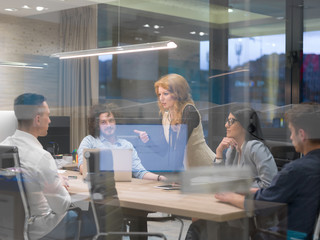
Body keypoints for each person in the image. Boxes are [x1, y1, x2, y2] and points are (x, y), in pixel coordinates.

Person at [214, 103, 320, 239]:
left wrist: (230, 196)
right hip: (302, 234)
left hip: (280, 235)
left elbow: (262, 203)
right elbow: (274, 193)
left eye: (292, 132)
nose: (291, 137)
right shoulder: (310, 167)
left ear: (301, 134)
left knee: (206, 228)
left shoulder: (296, 170)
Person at [1, 93, 95, 239]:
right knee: (99, 219)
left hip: (13, 228)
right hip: (42, 230)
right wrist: (59, 184)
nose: (50, 120)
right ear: (37, 119)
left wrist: (53, 180)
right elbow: (62, 206)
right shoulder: (41, 157)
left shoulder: (4, 146)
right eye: (48, 115)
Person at [134, 73, 215, 170]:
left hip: (206, 168)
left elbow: (180, 148)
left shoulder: (189, 111)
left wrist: (176, 175)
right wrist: (148, 140)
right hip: (189, 172)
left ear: (178, 94)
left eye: (166, 94)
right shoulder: (165, 116)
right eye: (159, 94)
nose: (161, 98)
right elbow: (164, 150)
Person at [77, 103, 165, 181]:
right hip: (100, 187)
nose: (108, 125)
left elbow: (140, 172)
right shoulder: (89, 141)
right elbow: (82, 167)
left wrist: (159, 178)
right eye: (103, 122)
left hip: (125, 190)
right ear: (97, 125)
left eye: (111, 121)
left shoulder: (126, 145)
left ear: (116, 122)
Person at [215, 106, 278, 188]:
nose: (226, 125)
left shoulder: (255, 147)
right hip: (237, 198)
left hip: (255, 200)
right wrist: (219, 152)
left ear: (245, 125)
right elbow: (221, 181)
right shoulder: (232, 149)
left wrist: (238, 188)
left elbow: (269, 184)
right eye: (227, 121)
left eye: (231, 121)